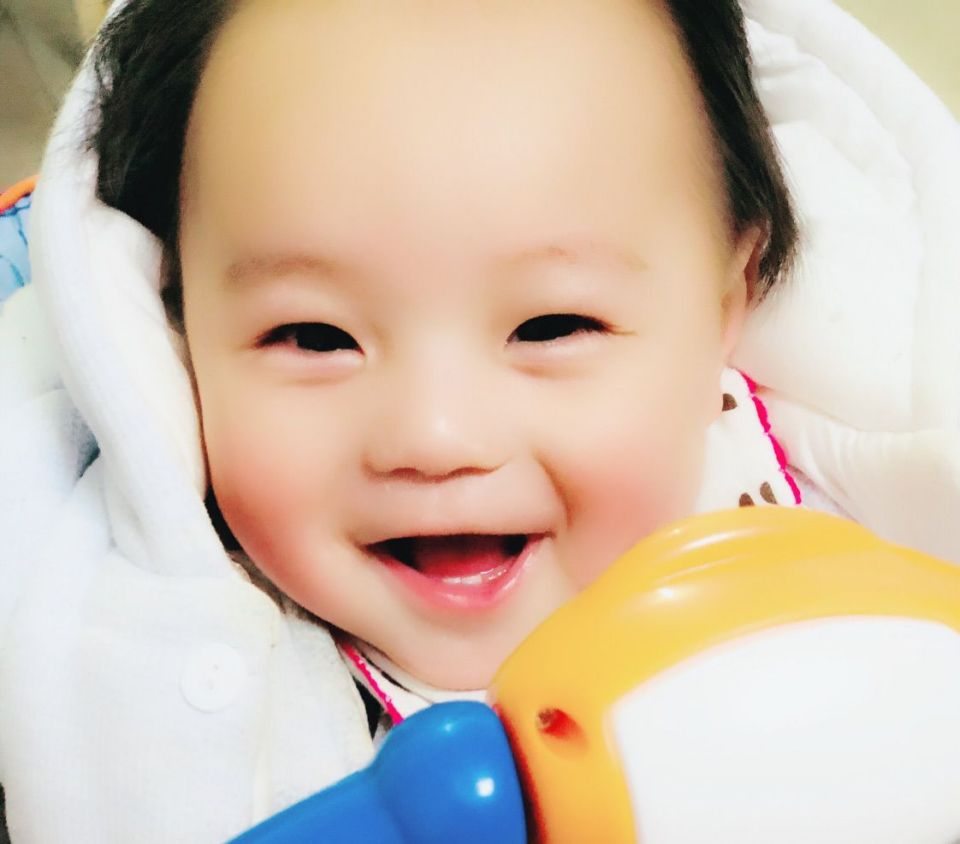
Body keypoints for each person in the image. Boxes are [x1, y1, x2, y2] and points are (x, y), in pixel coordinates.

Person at [2, 0, 958, 840]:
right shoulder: (123, 645)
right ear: (170, 326)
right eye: (315, 337)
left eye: (552, 326)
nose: (436, 437)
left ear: (726, 302)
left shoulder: (864, 535)